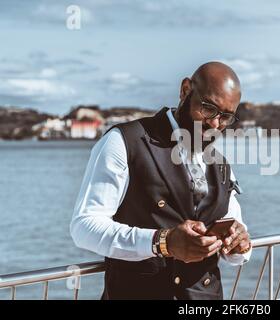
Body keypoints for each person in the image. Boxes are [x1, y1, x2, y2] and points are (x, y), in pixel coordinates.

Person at [70, 61, 252, 299]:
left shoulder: (221, 165)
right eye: (208, 109)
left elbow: (235, 235)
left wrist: (240, 244)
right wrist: (161, 242)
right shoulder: (124, 142)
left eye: (226, 117)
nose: (215, 124)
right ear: (185, 90)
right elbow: (84, 227)